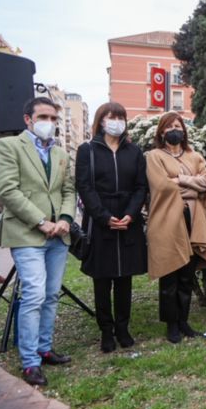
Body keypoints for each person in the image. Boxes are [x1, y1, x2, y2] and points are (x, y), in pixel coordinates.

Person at [0, 97, 76, 386]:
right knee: (34, 294)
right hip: (28, 233)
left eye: (54, 118)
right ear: (28, 119)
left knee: (51, 294)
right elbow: (7, 191)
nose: (49, 123)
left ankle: (44, 348)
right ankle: (29, 362)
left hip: (58, 234)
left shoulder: (61, 153)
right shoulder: (8, 146)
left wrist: (65, 218)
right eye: (44, 117)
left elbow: (68, 189)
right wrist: (41, 222)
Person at [75, 102, 148, 353]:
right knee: (102, 279)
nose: (116, 121)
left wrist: (130, 214)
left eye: (120, 117)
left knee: (124, 278)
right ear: (101, 120)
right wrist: (104, 217)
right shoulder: (87, 150)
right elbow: (85, 187)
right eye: (111, 116)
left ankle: (123, 327)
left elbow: (141, 187)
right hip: (101, 221)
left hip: (129, 219)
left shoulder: (135, 152)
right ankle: (106, 330)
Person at [146, 112, 206, 342]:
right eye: (169, 126)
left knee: (186, 275)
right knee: (170, 274)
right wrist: (192, 184)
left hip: (193, 219)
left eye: (178, 125)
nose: (174, 129)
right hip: (167, 220)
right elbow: (162, 187)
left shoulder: (194, 156)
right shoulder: (154, 156)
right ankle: (171, 325)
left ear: (184, 131)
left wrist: (181, 180)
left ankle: (184, 321)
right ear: (161, 131)